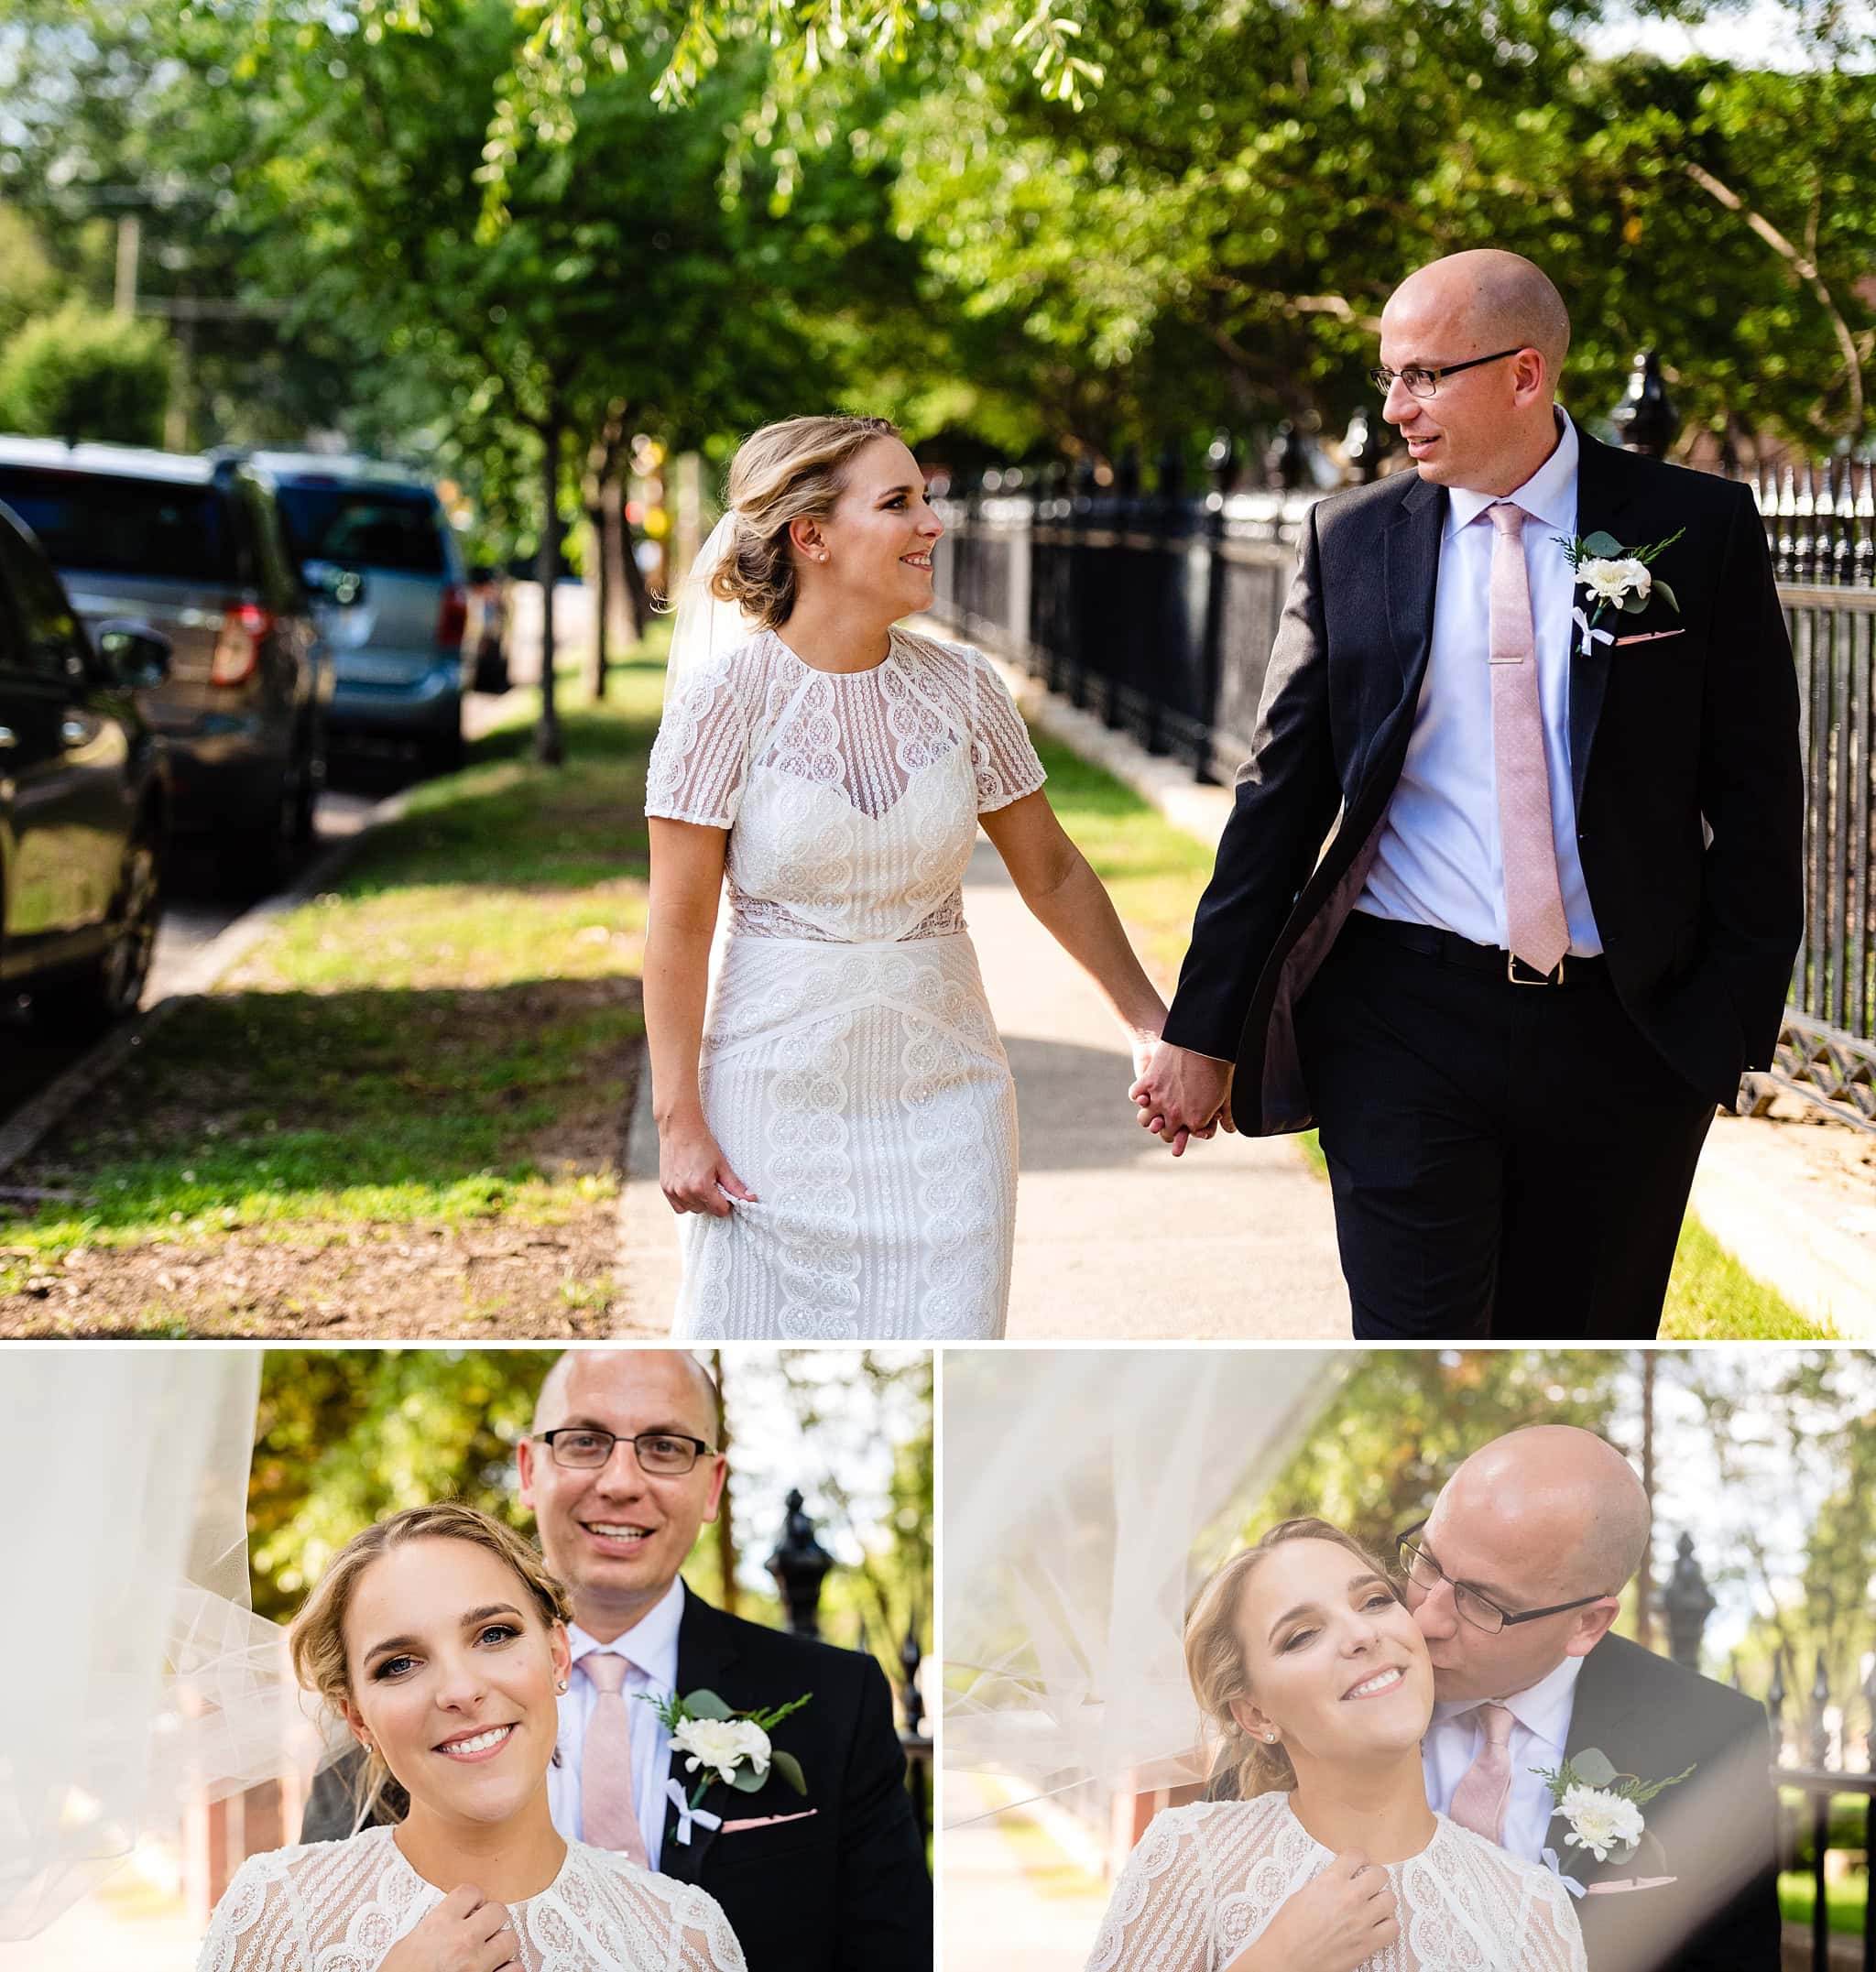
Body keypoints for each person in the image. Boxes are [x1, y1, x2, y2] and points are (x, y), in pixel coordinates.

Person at [1131, 248, 1804, 1341]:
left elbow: (1759, 797)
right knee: (1410, 1341)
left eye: (1423, 376)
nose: (1394, 407)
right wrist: (1201, 1029)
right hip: (1399, 1014)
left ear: (1524, 374)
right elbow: (1277, 798)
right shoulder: (1350, 539)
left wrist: (1720, 1024)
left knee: (1578, 1343)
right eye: (1388, 377)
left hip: (1624, 1031)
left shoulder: (1694, 526)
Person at [642, 414, 1169, 1338]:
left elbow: (1050, 871)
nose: (933, 522)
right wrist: (679, 1119)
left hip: (949, 1104)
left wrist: (1147, 1022)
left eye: (925, 498)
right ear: (811, 535)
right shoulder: (722, 702)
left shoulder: (967, 689)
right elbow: (679, 925)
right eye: (898, 503)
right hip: (770, 1110)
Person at [302, 1349, 932, 1972]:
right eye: (584, 1441)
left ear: (712, 1485)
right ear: (529, 1469)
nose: (621, 1482)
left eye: (664, 1446)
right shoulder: (394, 1710)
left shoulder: (836, 1699)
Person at [199, 1502, 747, 1972]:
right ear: (358, 1718)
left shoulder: (684, 1937)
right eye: (399, 1664)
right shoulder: (276, 1913)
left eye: (494, 1634)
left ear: (558, 1654)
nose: (460, 1690)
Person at [1085, 1518, 1587, 1972]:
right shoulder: (1190, 1854)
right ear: (1256, 1714)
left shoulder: (1532, 1907)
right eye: (1302, 1635)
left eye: (1375, 1601)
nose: (1361, 1634)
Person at [1405, 1426, 1780, 1972]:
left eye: (1482, 1602)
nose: (1425, 1619)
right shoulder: (1335, 1673)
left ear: (1587, 1623)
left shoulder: (1713, 1739)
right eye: (1426, 1561)